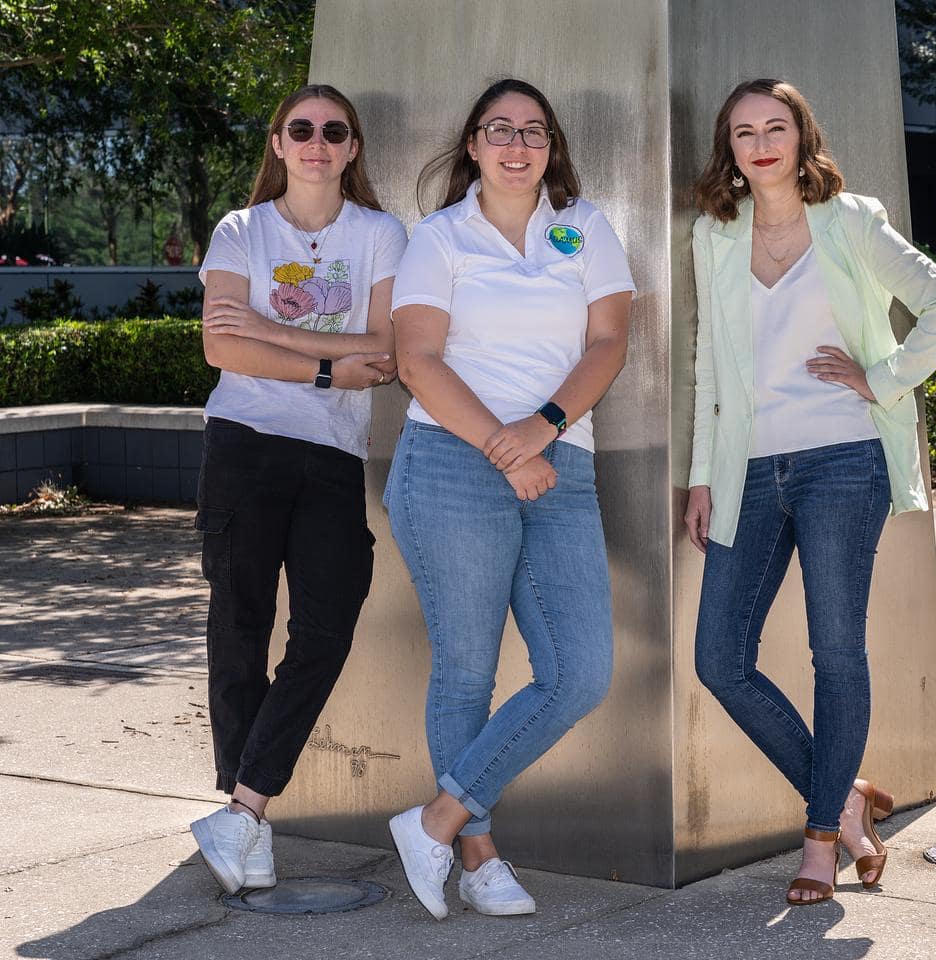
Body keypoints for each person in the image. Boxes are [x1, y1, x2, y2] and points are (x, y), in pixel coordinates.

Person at [684, 78, 936, 905]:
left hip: (844, 461)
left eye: (776, 127)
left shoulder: (851, 220)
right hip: (749, 467)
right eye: (743, 132)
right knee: (720, 659)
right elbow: (709, 363)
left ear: (802, 136)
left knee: (835, 651)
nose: (761, 143)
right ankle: (845, 797)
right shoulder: (715, 232)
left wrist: (882, 379)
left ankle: (820, 845)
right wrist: (705, 474)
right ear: (729, 150)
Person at [384, 78, 634, 920]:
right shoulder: (439, 236)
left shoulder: (586, 227)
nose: (517, 145)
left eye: (533, 131)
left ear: (551, 147)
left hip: (561, 462)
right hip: (452, 463)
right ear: (473, 147)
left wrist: (545, 428)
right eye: (500, 130)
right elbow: (417, 358)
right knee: (466, 669)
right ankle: (479, 857)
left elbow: (609, 341)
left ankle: (437, 820)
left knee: (580, 673)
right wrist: (505, 446)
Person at [189, 83, 408, 894]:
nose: (317, 142)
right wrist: (323, 361)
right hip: (242, 443)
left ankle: (243, 813)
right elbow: (222, 348)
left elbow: (384, 349)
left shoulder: (381, 233)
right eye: (301, 129)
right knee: (238, 628)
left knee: (327, 625)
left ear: (353, 149)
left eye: (335, 131)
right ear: (278, 143)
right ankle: (244, 815)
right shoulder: (241, 230)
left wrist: (267, 332)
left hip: (330, 454)